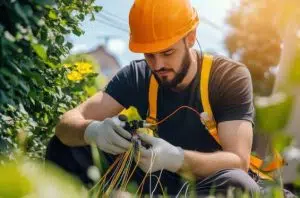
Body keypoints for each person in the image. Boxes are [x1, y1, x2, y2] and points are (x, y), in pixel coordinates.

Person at [47, 0, 262, 196]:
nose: (158, 65)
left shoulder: (228, 77)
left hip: (205, 183)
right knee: (65, 146)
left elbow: (238, 161)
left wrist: (178, 159)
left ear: (190, 37)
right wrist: (93, 131)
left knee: (238, 183)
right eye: (149, 54)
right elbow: (66, 123)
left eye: (167, 52)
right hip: (154, 176)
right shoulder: (136, 76)